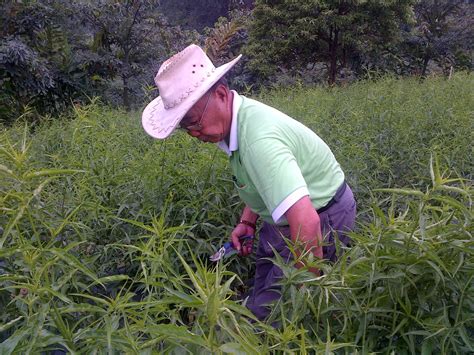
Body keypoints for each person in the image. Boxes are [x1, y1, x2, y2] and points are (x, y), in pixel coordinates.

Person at [142, 44, 356, 321]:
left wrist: (305, 296)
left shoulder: (258, 141)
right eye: (185, 127)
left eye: (194, 121)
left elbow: (307, 223)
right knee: (262, 295)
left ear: (220, 95)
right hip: (283, 220)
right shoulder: (236, 122)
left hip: (321, 219)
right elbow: (261, 180)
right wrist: (248, 221)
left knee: (279, 317)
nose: (194, 133)